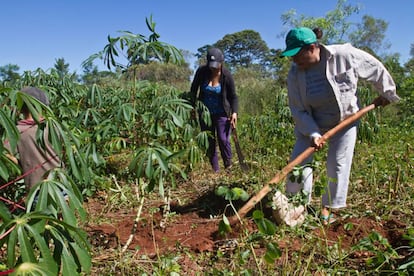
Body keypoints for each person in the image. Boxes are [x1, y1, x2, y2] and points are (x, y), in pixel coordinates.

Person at [280, 27, 400, 225]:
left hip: (344, 121)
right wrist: (313, 133)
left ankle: (328, 209)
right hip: (311, 122)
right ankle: (296, 207)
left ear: (311, 48)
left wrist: (387, 92)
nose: (293, 60)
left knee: (337, 164)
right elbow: (298, 109)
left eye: (297, 55)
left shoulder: (344, 55)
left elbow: (374, 67)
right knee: (298, 166)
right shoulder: (295, 73)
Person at [190, 48, 239, 172]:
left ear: (221, 62)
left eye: (216, 65)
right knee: (209, 141)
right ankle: (215, 171)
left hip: (222, 112)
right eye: (211, 65)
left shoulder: (226, 75)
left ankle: (228, 167)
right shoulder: (201, 72)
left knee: (223, 139)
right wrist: (192, 108)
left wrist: (234, 113)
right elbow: (193, 90)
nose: (214, 68)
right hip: (205, 113)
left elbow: (233, 96)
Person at [6, 86, 62, 192]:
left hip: (36, 189)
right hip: (60, 183)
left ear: (20, 106)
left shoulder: (17, 131)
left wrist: (21, 164)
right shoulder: (54, 126)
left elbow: (5, 154)